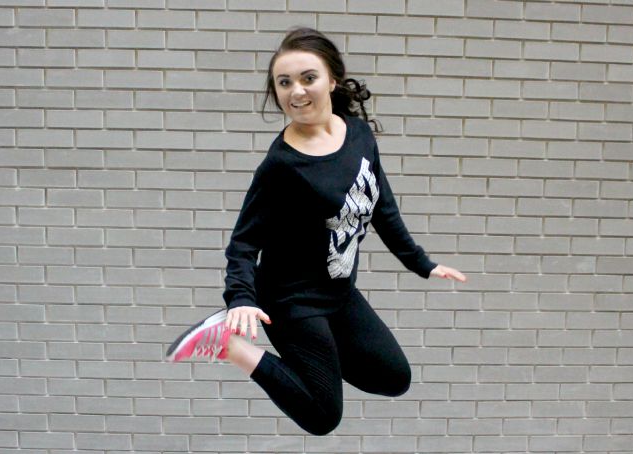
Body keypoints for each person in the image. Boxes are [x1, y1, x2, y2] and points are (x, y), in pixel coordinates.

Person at [166, 27, 467, 436]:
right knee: (323, 416)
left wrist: (421, 263)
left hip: (338, 293)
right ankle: (227, 344)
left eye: (308, 78)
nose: (296, 91)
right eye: (284, 82)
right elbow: (243, 242)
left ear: (332, 80)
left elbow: (380, 205)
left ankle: (313, 367)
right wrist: (240, 298)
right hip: (290, 299)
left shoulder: (358, 134)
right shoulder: (282, 165)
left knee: (393, 377)